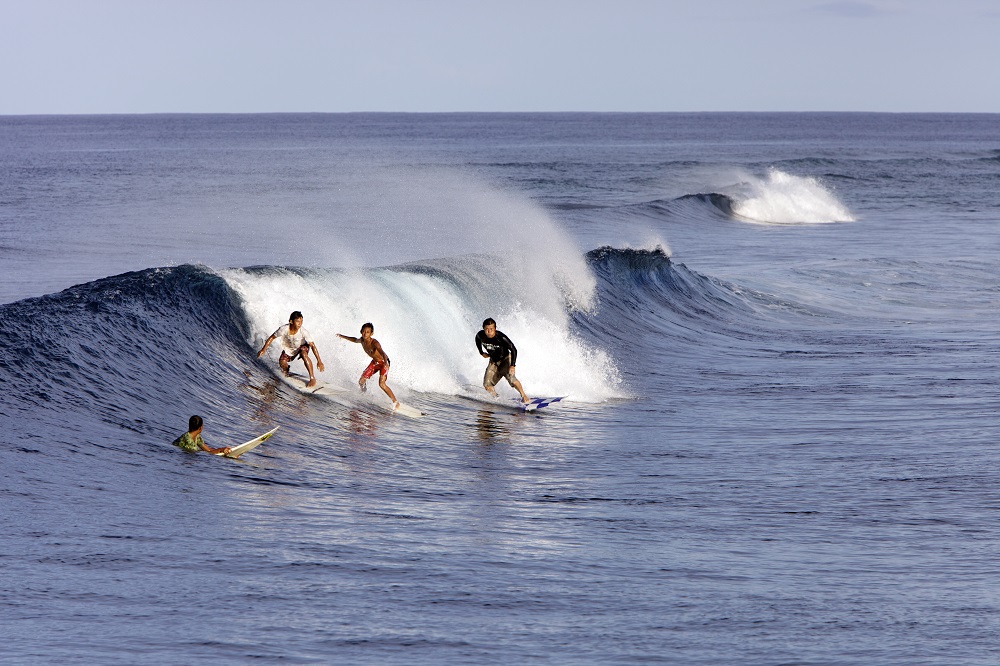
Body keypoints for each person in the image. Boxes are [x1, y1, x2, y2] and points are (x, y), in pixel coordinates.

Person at [337, 323, 400, 409]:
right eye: (363, 331)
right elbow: (355, 340)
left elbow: (382, 353)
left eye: (367, 332)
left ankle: (395, 402)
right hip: (375, 362)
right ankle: (364, 394)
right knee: (361, 381)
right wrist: (342, 336)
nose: (365, 334)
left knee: (381, 384)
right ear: (361, 332)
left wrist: (385, 363)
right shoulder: (362, 340)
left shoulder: (375, 343)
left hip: (383, 362)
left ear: (371, 334)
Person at [257, 310, 326, 387]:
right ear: (291, 321)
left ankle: (312, 378)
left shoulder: (303, 331)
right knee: (282, 363)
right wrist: (263, 349)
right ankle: (286, 371)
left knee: (303, 353)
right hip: (289, 349)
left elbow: (312, 345)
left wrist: (319, 361)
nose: (300, 323)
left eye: (301, 321)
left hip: (302, 346)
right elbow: (272, 337)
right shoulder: (283, 329)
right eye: (297, 321)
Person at [475, 318, 530, 403]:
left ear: (495, 329)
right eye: (486, 329)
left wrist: (512, 365)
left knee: (512, 380)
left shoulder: (501, 337)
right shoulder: (480, 335)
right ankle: (496, 398)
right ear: (483, 329)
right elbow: (477, 339)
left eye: (491, 329)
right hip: (493, 362)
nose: (489, 332)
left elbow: (514, 349)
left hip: (506, 360)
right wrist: (481, 352)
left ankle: (524, 396)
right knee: (487, 385)